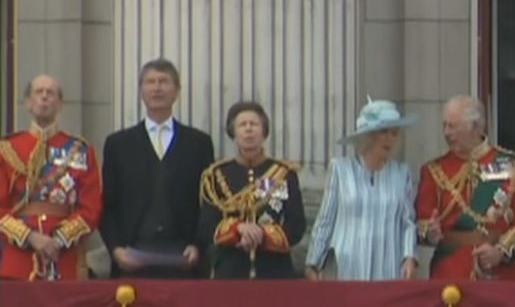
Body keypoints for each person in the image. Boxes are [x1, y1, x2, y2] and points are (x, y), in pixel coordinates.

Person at [100, 59, 215, 278]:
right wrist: (116, 249)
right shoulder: (118, 143)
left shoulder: (198, 143)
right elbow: (108, 204)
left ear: (177, 91)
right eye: (150, 82)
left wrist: (198, 245)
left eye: (164, 81)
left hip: (184, 258)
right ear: (142, 90)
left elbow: (208, 202)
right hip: (132, 257)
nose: (157, 87)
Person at [416, 95, 515, 280]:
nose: (447, 133)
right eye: (444, 126)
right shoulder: (434, 170)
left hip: (500, 274)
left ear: (477, 127)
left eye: (453, 126)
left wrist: (501, 251)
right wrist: (430, 232)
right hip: (450, 273)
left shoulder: (513, 165)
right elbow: (421, 221)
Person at [304, 98, 419, 281]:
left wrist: (409, 257)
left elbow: (408, 221)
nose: (389, 138)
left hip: (388, 267)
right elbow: (326, 219)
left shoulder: (400, 173)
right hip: (347, 268)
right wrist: (313, 263)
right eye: (383, 132)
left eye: (394, 133)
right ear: (368, 136)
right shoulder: (340, 169)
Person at [0, 75, 102, 281]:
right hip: (18, 259)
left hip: (64, 258)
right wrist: (30, 237)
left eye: (51, 93)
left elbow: (91, 208)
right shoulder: (7, 149)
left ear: (60, 104)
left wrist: (57, 240)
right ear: (28, 102)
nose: (44, 97)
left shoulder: (80, 150)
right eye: (39, 92)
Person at [198, 102, 306, 280]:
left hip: (274, 272)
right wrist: (237, 229)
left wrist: (262, 235)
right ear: (233, 133)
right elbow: (206, 226)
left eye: (254, 124)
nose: (249, 129)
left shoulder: (283, 174)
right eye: (242, 125)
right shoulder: (217, 175)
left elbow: (296, 225)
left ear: (264, 132)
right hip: (230, 271)